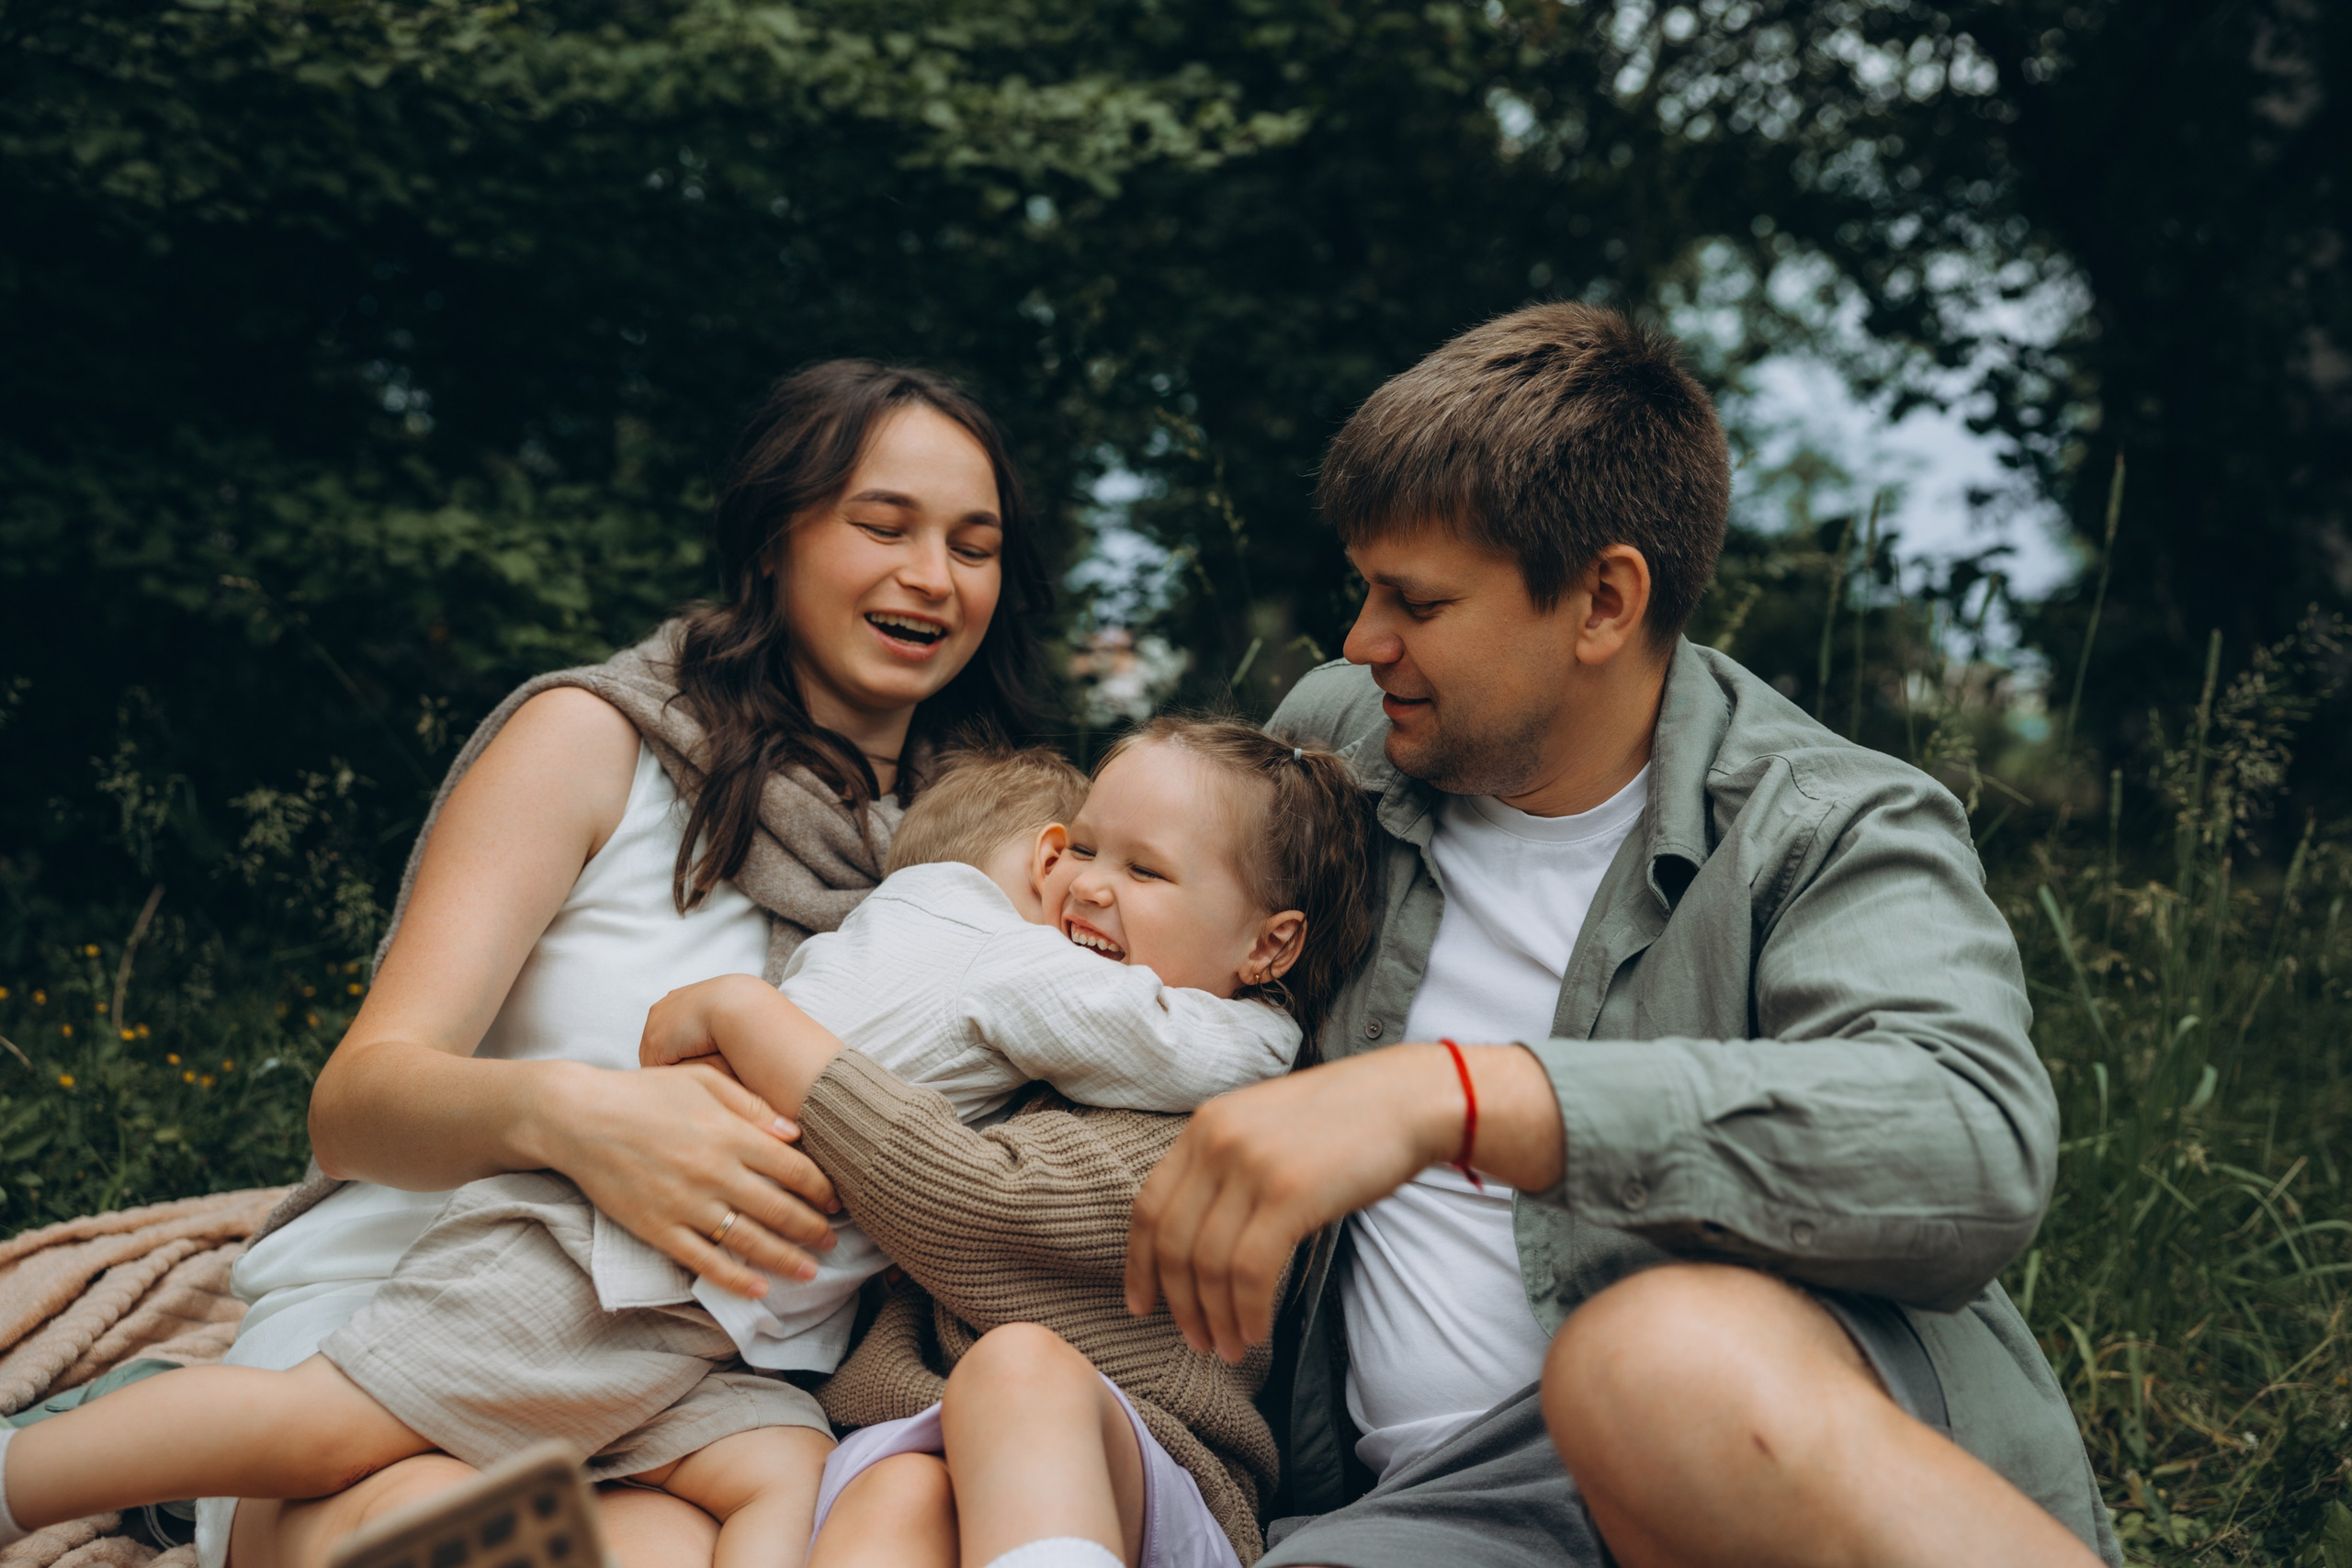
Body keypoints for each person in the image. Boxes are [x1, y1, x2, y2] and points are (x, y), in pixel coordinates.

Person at [1122, 303, 2123, 1568]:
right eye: (1363, 590)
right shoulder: (1339, 740)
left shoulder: (1829, 824)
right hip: (1438, 1518)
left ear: (1603, 600)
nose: (1362, 642)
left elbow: (1972, 1143)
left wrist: (1467, 1098)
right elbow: (1111, 912)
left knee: (1651, 1362)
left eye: (1417, 603)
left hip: (1749, 1472)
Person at [0, 730, 1362, 1568]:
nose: (1086, 891)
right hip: (601, 1264)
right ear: (1016, 863)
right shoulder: (996, 949)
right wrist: (1276, 1038)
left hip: (716, 1338)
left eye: (1134, 870)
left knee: (779, 1476)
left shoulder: (942, 934)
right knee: (318, 1430)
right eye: (1074, 856)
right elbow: (1168, 1041)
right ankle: (35, 1471)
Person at [190, 359, 1051, 1568]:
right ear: (773, 538)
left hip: (707, 1400)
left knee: (676, 1547)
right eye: (883, 525)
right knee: (447, 1535)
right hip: (406, 1338)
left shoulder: (1007, 866)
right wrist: (576, 1117)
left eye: (976, 545)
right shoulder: (598, 743)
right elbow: (355, 1107)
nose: (932, 577)